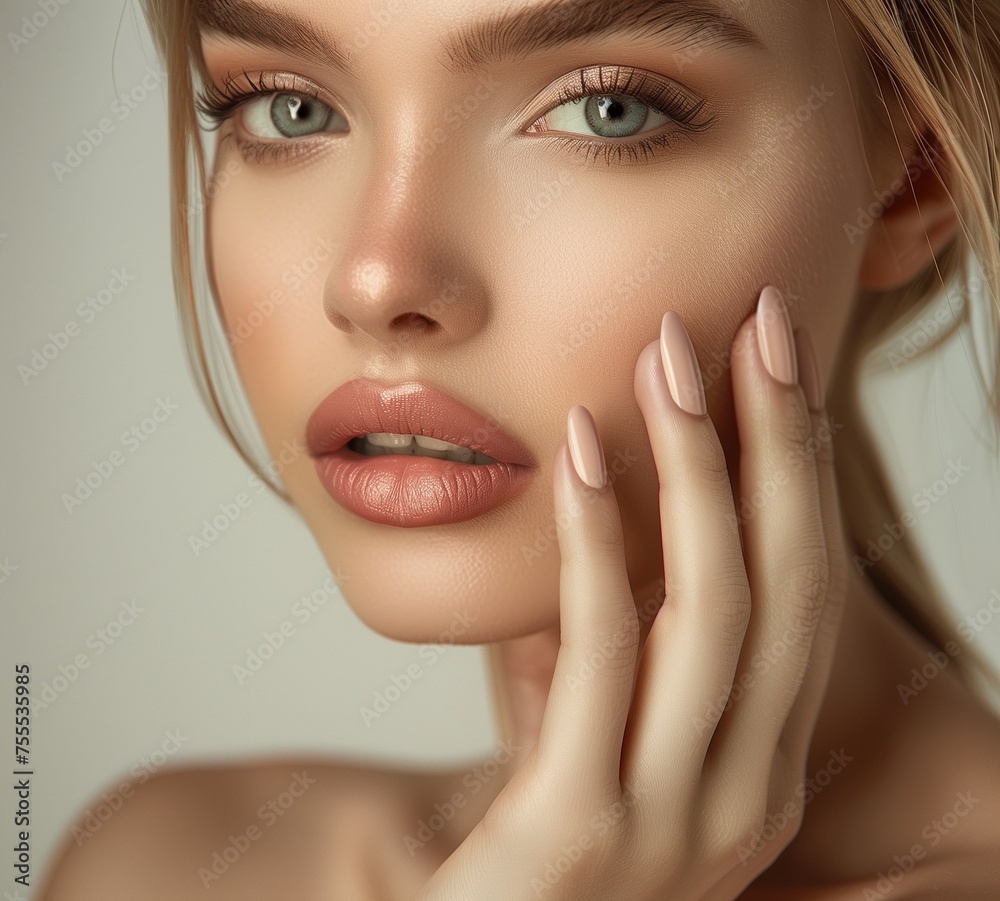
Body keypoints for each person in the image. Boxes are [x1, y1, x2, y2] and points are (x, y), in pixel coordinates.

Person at [38, 0, 1000, 897]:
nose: (375, 278)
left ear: (916, 178)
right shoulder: (169, 864)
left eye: (606, 111)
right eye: (289, 110)